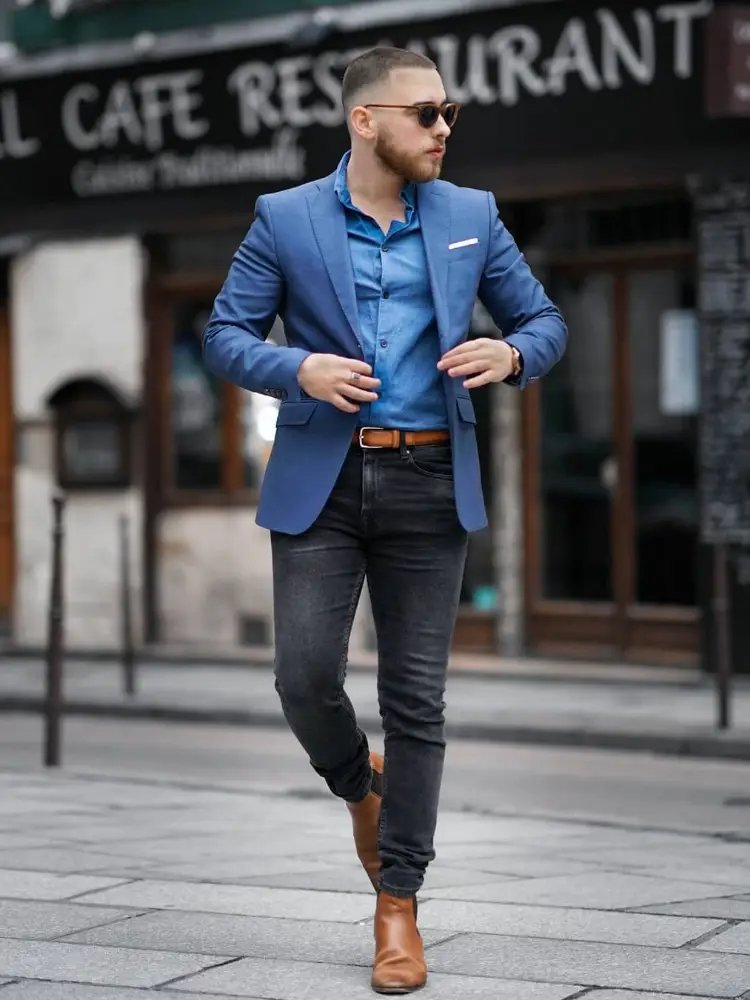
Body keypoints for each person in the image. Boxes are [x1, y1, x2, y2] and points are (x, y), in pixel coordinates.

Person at [203, 45, 567, 995]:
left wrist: (513, 356)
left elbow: (545, 321)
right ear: (366, 121)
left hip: (429, 482)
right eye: (426, 113)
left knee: (418, 704)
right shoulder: (282, 219)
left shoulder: (471, 215)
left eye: (450, 113)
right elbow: (224, 335)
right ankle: (359, 785)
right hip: (322, 484)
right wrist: (298, 370)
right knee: (303, 675)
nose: (444, 128)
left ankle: (398, 905)